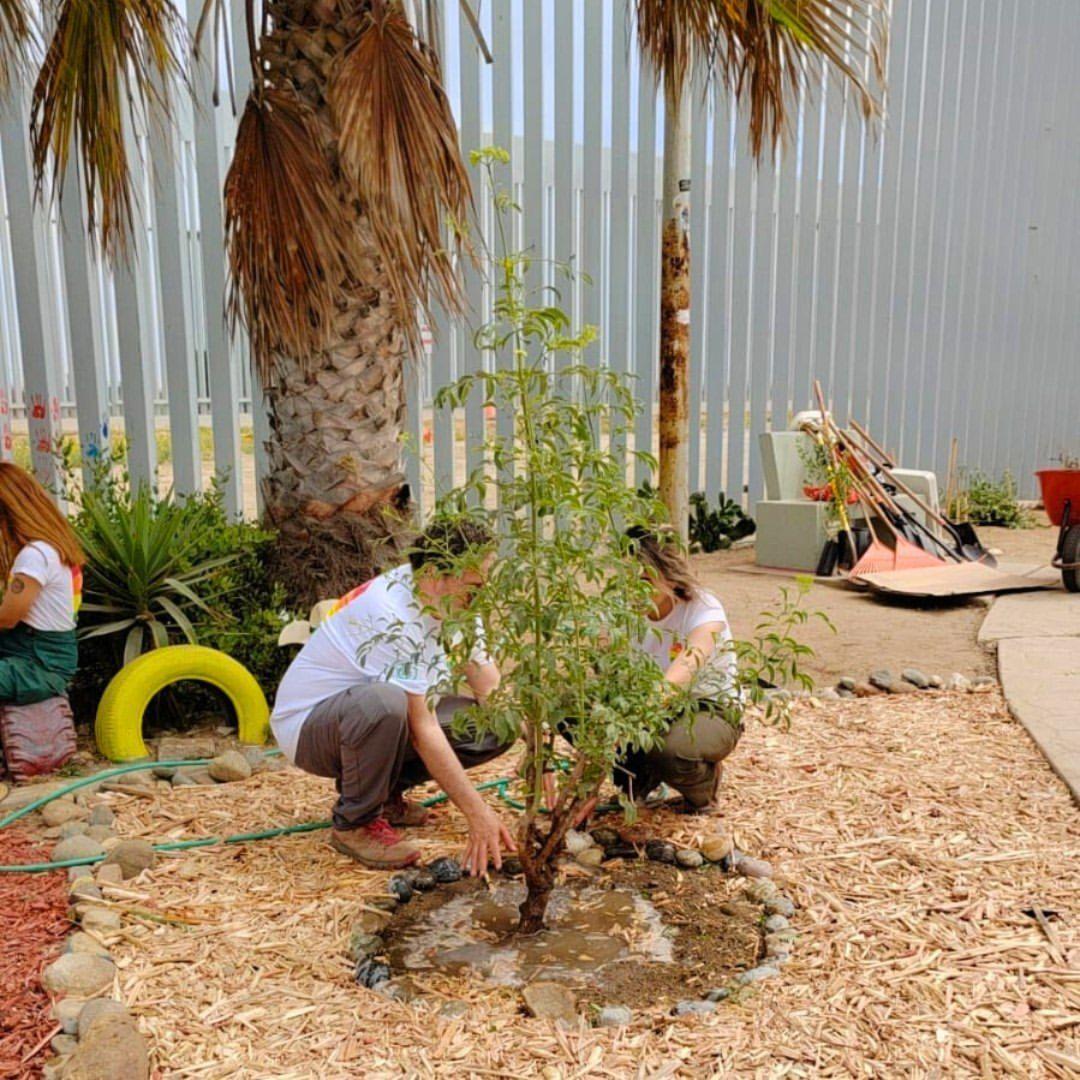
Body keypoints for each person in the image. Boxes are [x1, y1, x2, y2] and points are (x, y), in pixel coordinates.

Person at [270, 519, 516, 873]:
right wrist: (478, 814)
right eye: (475, 585)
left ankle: (383, 798)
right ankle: (355, 823)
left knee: (496, 725)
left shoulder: (455, 603)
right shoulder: (389, 614)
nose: (483, 595)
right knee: (385, 703)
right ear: (434, 573)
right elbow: (422, 727)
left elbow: (491, 690)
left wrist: (542, 761)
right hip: (310, 728)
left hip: (365, 725)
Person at [618, 525, 742, 812]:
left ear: (669, 574)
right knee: (574, 712)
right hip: (648, 706)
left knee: (671, 750)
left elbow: (685, 667)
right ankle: (639, 777)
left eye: (646, 578)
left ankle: (704, 788)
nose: (636, 588)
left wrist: (630, 722)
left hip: (707, 707)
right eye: (628, 578)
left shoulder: (704, 608)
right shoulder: (622, 612)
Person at [0, 464, 83, 704]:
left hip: (39, 666)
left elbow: (7, 617)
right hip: (31, 654)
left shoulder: (35, 556)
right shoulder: (50, 547)